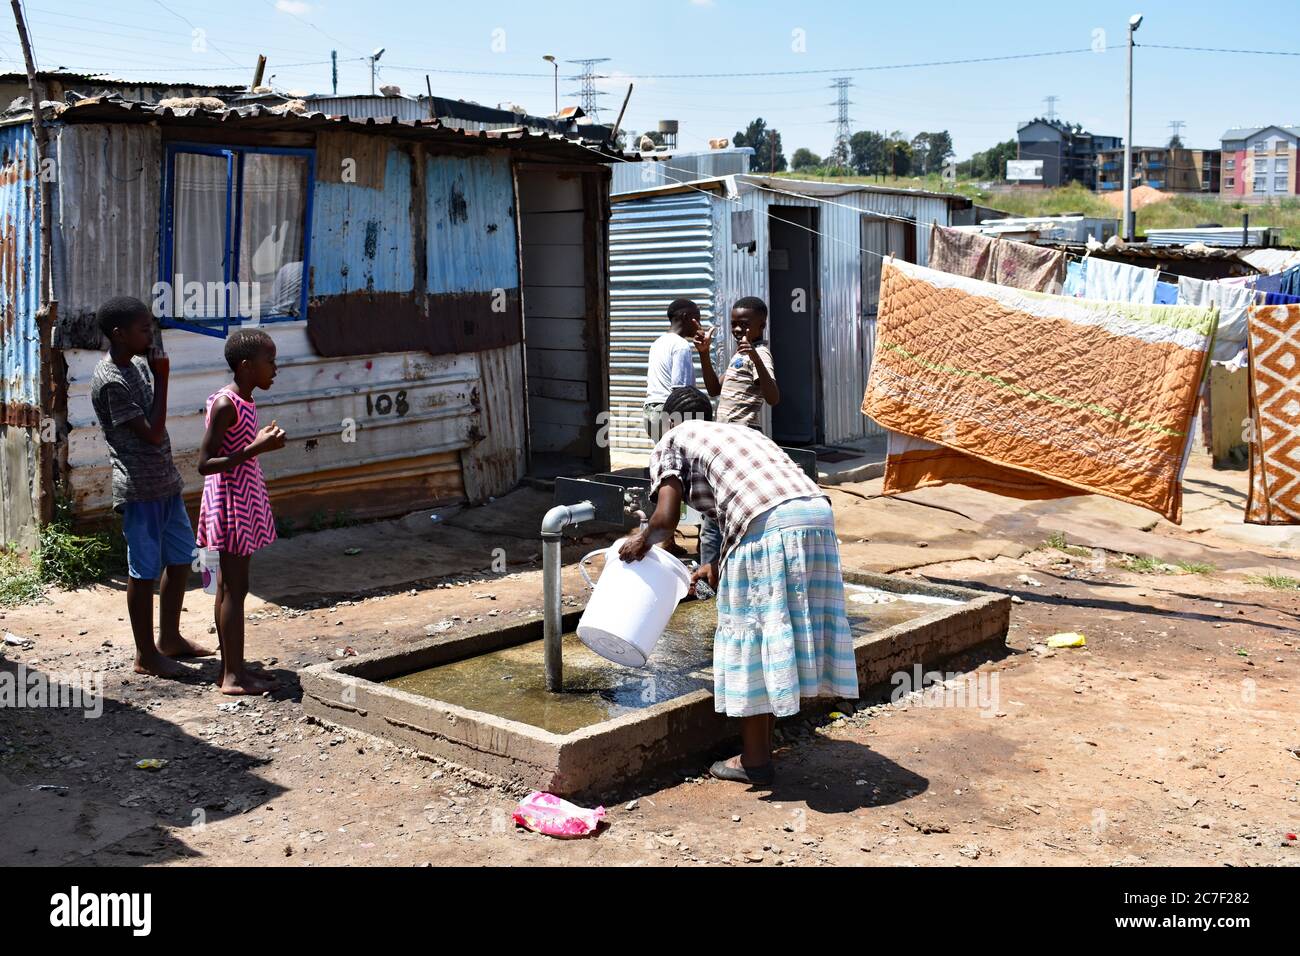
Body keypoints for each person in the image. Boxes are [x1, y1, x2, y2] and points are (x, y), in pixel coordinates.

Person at [618, 387, 858, 786]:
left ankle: (755, 760)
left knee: (748, 634)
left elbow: (664, 519)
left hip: (770, 527)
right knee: (774, 632)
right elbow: (740, 504)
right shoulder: (740, 433)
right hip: (816, 516)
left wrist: (639, 542)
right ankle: (762, 749)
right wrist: (715, 563)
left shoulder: (669, 442)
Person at [90, 297, 212, 679]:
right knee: (142, 572)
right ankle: (145, 655)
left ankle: (170, 639)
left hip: (166, 483)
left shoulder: (139, 364)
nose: (151, 334)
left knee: (179, 561)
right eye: (144, 329)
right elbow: (152, 432)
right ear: (119, 334)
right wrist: (163, 378)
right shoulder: (111, 380)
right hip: (139, 490)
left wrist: (155, 372)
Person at [196, 328, 286, 695]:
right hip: (230, 504)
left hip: (242, 498)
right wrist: (256, 448)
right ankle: (232, 677)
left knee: (232, 588)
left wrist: (256, 442)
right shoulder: (225, 404)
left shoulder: (243, 400)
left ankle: (233, 667)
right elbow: (204, 463)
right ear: (247, 366)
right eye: (270, 362)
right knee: (234, 589)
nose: (275, 369)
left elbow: (234, 445)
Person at [643, 298, 720, 440]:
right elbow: (681, 390)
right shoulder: (681, 345)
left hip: (650, 411)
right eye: (697, 319)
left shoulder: (658, 342)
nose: (699, 325)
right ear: (686, 317)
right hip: (670, 412)